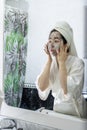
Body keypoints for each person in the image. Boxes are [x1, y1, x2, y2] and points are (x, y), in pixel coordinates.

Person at [36, 21, 87, 118]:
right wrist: (49, 60)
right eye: (50, 40)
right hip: (58, 113)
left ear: (66, 44)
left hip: (76, 114)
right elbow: (42, 87)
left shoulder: (77, 63)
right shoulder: (52, 63)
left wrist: (62, 63)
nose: (51, 45)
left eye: (56, 41)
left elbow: (66, 90)